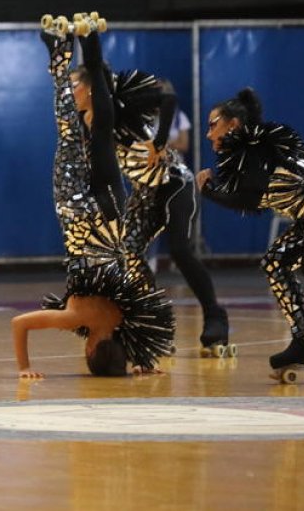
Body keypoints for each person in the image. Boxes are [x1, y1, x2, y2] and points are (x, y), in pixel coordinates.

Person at [12, 19, 173, 378]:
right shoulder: (75, 318)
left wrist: (144, 363)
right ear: (89, 349)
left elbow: (146, 332)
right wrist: (25, 369)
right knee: (70, 134)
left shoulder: (125, 321)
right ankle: (59, 57)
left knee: (102, 132)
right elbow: (19, 324)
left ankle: (91, 42)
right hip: (76, 217)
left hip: (111, 221)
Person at [70, 64, 226, 354]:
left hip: (174, 183)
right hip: (144, 193)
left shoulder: (120, 106)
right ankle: (155, 324)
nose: (69, 91)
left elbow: (168, 98)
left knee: (179, 250)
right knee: (127, 252)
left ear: (91, 88)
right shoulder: (84, 121)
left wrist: (160, 140)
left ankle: (215, 317)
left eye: (74, 84)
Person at [198, 88, 304, 380]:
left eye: (213, 125)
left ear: (233, 125)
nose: (209, 134)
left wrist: (209, 191)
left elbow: (249, 199)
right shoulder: (247, 153)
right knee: (275, 262)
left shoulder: (255, 148)